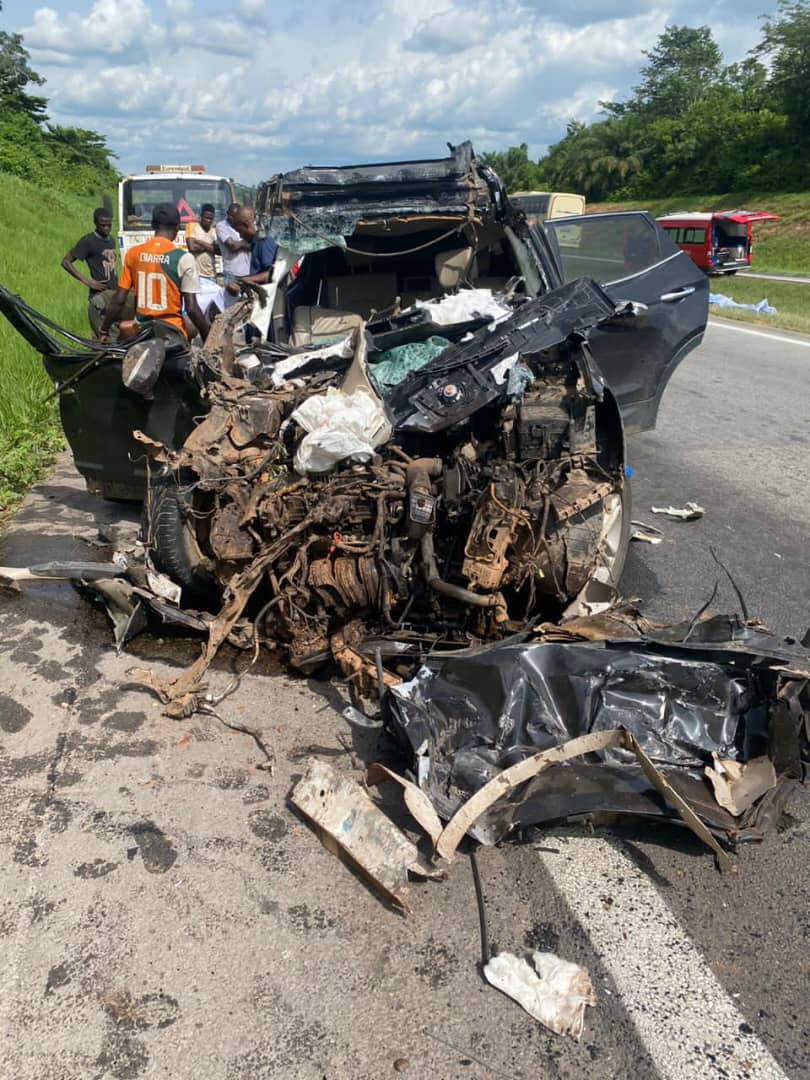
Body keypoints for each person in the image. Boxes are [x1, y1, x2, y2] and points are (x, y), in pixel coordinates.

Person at [99, 203, 209, 348]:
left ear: (153, 225)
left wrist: (104, 329)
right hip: (172, 333)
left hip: (142, 331)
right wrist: (208, 337)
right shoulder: (183, 258)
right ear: (177, 227)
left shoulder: (134, 254)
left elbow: (119, 299)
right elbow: (192, 308)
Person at [61, 207, 123, 336]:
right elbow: (66, 262)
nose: (106, 228)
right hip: (98, 295)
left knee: (115, 333)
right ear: (95, 223)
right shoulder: (88, 241)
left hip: (113, 293)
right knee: (100, 334)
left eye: (109, 225)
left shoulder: (110, 239)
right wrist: (87, 282)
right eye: (103, 225)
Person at [186, 202, 218, 285]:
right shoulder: (193, 227)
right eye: (206, 218)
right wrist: (209, 247)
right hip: (197, 274)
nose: (208, 221)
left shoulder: (214, 230)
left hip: (212, 275)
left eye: (210, 218)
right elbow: (192, 248)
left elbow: (218, 251)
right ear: (201, 217)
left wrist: (200, 242)